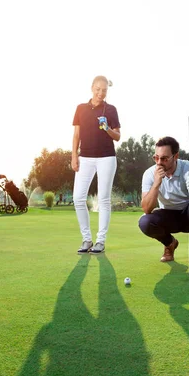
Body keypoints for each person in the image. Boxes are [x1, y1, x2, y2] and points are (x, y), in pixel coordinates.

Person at [138, 136, 189, 273]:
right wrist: (156, 183)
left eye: (164, 158)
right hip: (168, 217)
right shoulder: (149, 173)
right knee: (145, 221)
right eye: (156, 158)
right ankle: (170, 243)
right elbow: (146, 208)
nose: (159, 162)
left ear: (175, 156)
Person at [72, 75, 121, 254]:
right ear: (92, 88)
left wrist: (107, 128)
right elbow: (76, 135)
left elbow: (118, 136)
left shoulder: (111, 110)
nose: (101, 93)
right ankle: (86, 239)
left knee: (104, 199)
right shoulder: (80, 108)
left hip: (106, 158)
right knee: (78, 198)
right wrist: (73, 156)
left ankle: (100, 241)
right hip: (85, 157)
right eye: (98, 89)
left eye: (104, 90)